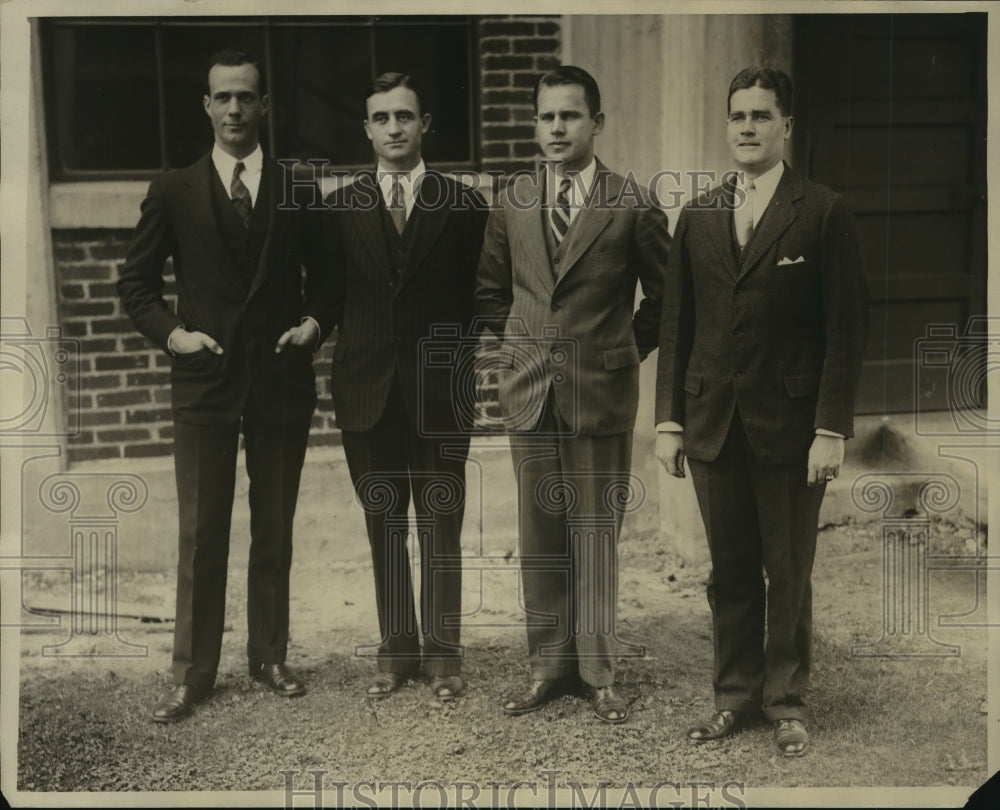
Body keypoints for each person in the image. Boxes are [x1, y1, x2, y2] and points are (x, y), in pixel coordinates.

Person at [655, 67, 868, 756]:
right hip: (713, 423)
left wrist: (830, 428)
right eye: (737, 116)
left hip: (791, 429)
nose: (746, 128)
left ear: (786, 127)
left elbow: (845, 329)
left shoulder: (823, 210)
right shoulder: (700, 214)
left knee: (789, 569)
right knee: (732, 570)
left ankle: (787, 702)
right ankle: (734, 697)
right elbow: (675, 326)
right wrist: (668, 421)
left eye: (760, 116)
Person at [117, 49, 334, 722]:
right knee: (203, 533)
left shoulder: (298, 187)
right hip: (205, 383)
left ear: (264, 105)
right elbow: (136, 286)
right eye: (223, 98)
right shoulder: (173, 189)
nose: (235, 109)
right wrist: (174, 336)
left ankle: (269, 656)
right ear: (206, 107)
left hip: (279, 381)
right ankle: (194, 671)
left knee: (274, 528)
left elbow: (328, 282)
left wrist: (314, 325)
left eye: (247, 97)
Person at [476, 65, 669, 724]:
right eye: (547, 116)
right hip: (529, 392)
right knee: (541, 535)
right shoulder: (513, 199)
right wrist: (513, 351)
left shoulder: (632, 203)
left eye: (571, 116)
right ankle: (547, 665)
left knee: (594, 535)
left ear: (597, 123)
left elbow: (667, 301)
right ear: (536, 123)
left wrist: (622, 351)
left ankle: (598, 672)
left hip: (599, 392)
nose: (557, 128)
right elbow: (491, 291)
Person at [325, 73, 488, 700]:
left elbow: (483, 295)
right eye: (382, 118)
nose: (395, 128)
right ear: (366, 129)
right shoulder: (339, 206)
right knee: (384, 520)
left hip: (441, 388)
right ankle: (396, 649)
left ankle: (443, 654)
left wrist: (459, 356)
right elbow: (330, 295)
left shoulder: (465, 204)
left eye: (405, 117)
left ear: (425, 125)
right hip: (367, 388)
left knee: (441, 519)